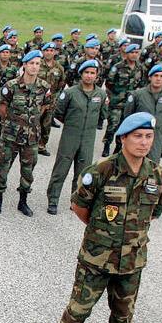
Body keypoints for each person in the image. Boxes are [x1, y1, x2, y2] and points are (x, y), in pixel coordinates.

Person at [50, 112, 162, 323]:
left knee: (123, 314)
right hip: (97, 257)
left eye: (148, 136)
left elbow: (155, 212)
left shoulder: (157, 175)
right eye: (137, 136)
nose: (144, 142)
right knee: (79, 308)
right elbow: (80, 207)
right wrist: (102, 234)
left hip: (132, 260)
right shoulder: (101, 171)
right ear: (123, 139)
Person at [46, 59, 108, 215]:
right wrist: (72, 124)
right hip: (70, 136)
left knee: (83, 172)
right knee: (61, 169)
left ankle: (76, 201)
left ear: (97, 76)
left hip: (88, 138)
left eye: (92, 73)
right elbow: (59, 113)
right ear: (81, 74)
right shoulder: (70, 93)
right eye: (86, 72)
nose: (89, 76)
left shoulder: (101, 94)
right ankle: (53, 200)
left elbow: (102, 115)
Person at [0, 49, 50, 216]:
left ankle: (23, 201)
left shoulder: (44, 87)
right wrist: (14, 123)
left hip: (32, 136)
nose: (34, 67)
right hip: (11, 134)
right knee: (3, 166)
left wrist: (31, 122)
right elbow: (2, 109)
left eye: (37, 64)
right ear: (24, 65)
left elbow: (44, 108)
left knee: (28, 170)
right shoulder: (11, 86)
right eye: (31, 63)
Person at [122, 63, 162, 163]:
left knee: (153, 164)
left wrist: (161, 126)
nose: (158, 79)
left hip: (156, 136)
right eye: (155, 75)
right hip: (138, 135)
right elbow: (128, 115)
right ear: (150, 77)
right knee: (132, 163)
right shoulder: (137, 94)